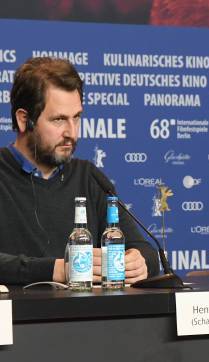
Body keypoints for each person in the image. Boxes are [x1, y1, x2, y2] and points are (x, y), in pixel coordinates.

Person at [0, 57, 159, 285]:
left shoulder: (90, 177)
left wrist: (140, 262)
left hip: (88, 318)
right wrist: (54, 270)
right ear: (24, 120)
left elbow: (144, 249)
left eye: (77, 118)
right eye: (59, 120)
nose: (72, 133)